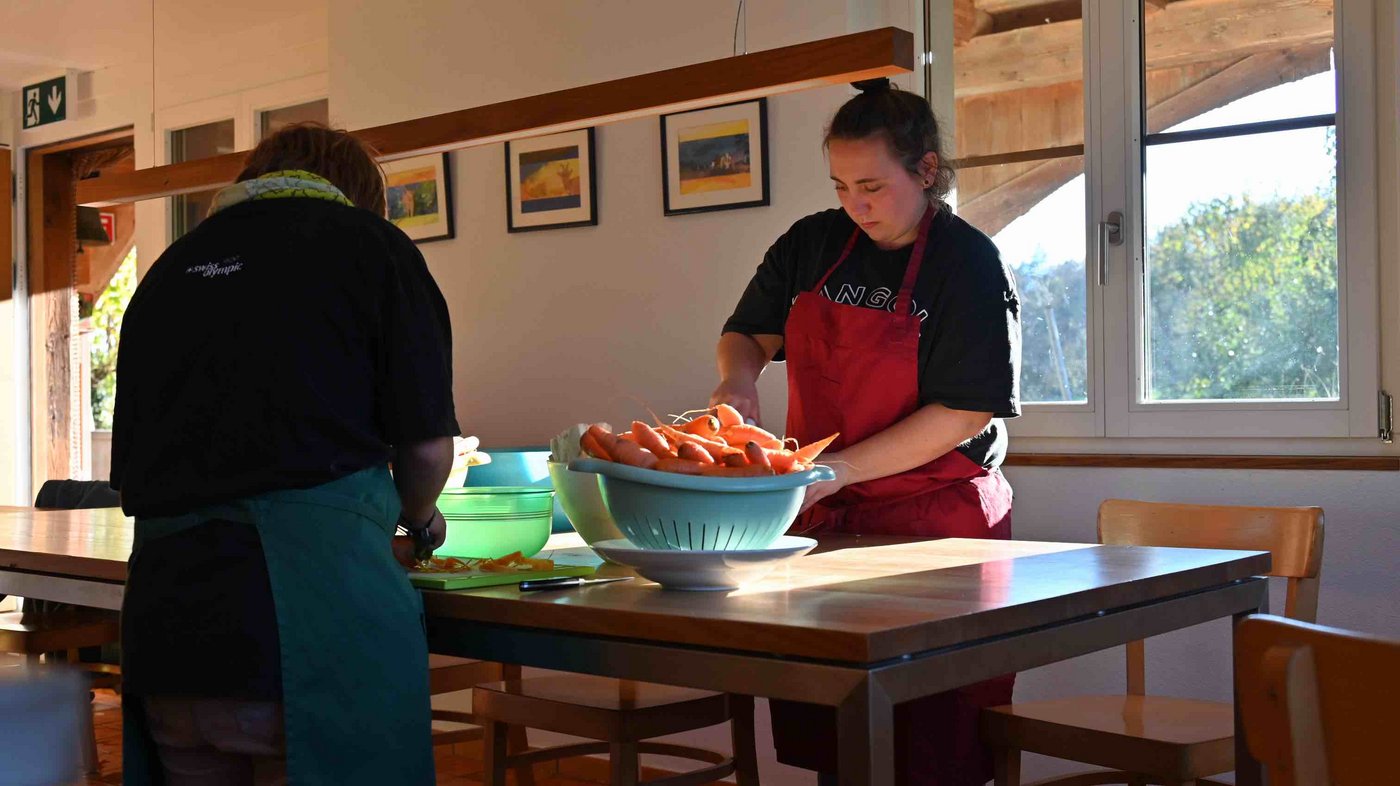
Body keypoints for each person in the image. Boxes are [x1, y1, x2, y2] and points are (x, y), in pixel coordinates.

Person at [111, 123, 458, 785]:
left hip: (169, 635)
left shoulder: (168, 271)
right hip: (311, 633)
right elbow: (426, 445)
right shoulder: (373, 249)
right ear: (356, 195)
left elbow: (134, 477)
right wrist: (415, 523)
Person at [711, 79, 1021, 786]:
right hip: (828, 522)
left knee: (935, 743)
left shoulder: (966, 263)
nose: (856, 203)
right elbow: (746, 332)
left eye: (873, 186)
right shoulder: (813, 243)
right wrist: (739, 378)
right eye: (843, 185)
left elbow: (966, 411)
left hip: (938, 530)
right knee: (840, 737)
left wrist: (835, 470)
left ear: (927, 171)